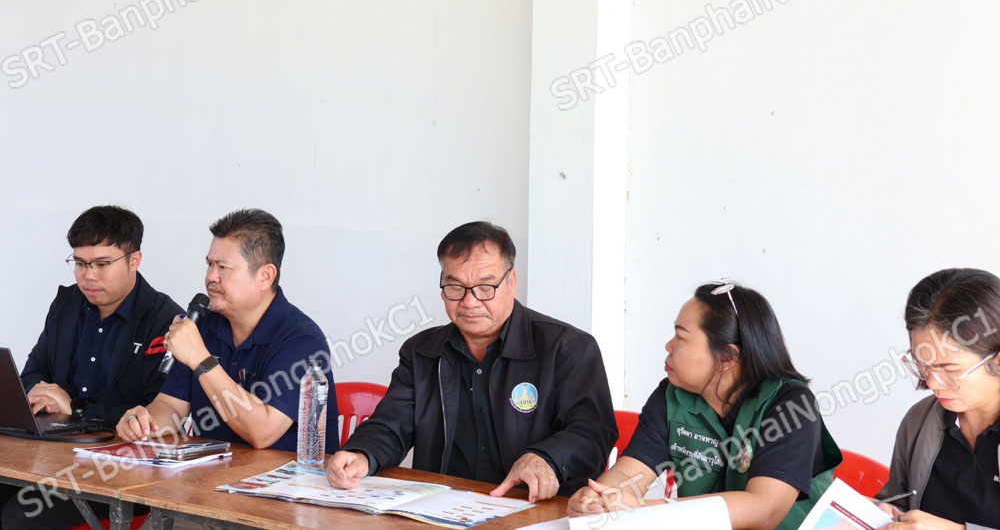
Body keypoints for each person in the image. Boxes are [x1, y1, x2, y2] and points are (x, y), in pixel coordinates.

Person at [326, 221, 617, 502]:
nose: (469, 301)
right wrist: (361, 454)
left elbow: (593, 433)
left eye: (485, 287)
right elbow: (391, 425)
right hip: (440, 509)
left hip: (534, 510)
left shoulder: (566, 348)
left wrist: (547, 458)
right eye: (455, 287)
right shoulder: (422, 352)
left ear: (512, 282)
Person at [568, 280, 842, 530]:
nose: (668, 345)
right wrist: (598, 499)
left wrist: (645, 511)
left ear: (727, 358)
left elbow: (763, 509)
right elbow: (629, 473)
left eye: (681, 337)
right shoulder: (671, 396)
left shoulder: (791, 406)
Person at [1, 205, 181, 529]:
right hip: (53, 455)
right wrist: (41, 396)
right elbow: (32, 374)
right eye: (80, 263)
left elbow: (154, 417)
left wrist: (75, 410)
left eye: (102, 264)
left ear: (134, 260)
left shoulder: (164, 320)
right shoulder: (66, 304)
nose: (89, 275)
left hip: (120, 471)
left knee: (22, 517)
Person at [115, 208, 337, 454]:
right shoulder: (204, 325)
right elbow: (171, 406)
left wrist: (201, 359)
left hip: (282, 477)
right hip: (211, 473)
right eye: (209, 264)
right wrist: (143, 422)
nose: (211, 277)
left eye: (223, 267)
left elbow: (262, 432)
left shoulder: (302, 341)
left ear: (265, 276)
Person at [878, 268, 1000, 530]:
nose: (932, 383)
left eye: (949, 369)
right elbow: (899, 503)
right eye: (923, 366)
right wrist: (882, 515)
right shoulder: (920, 421)